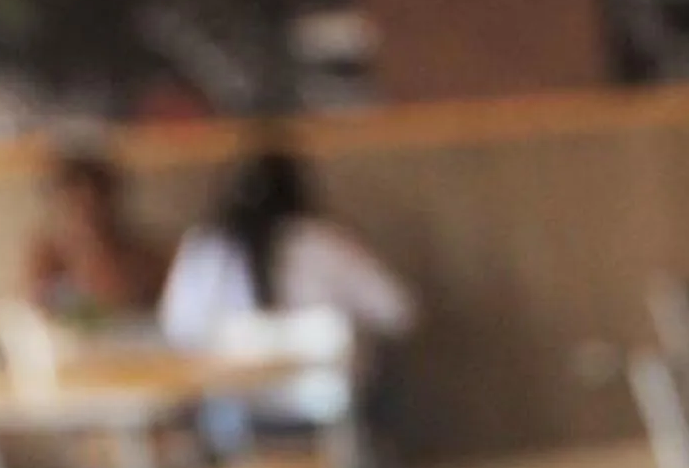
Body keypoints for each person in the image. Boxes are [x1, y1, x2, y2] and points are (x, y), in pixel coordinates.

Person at [158, 148, 417, 351]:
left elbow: (177, 328)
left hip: (229, 408)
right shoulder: (324, 242)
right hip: (329, 407)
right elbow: (398, 311)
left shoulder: (204, 248)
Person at [21, 153, 167, 321]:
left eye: (93, 205)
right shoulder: (46, 255)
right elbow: (31, 312)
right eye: (73, 204)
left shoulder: (144, 259)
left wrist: (95, 254)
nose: (84, 215)